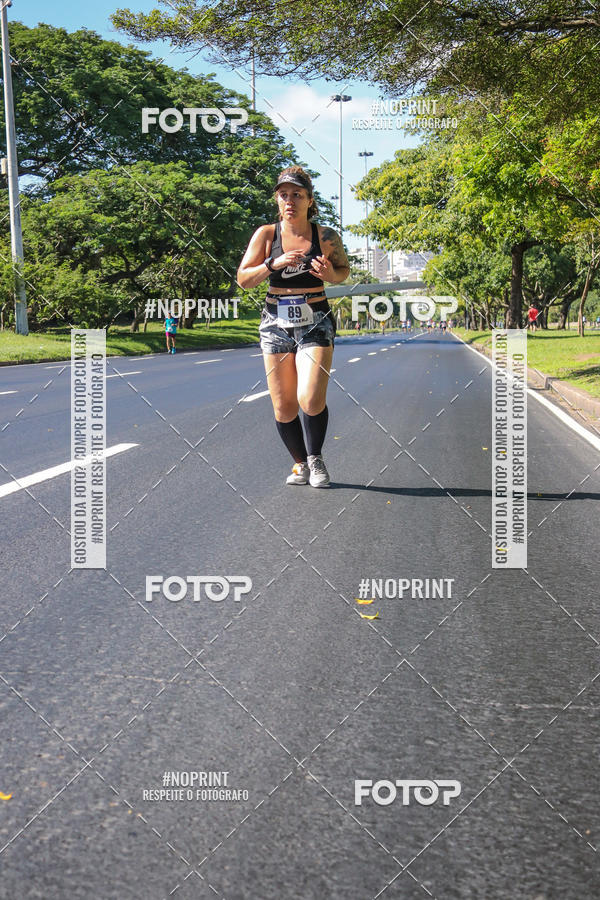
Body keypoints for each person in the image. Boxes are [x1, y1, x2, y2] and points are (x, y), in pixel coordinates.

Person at [237, 166, 350, 488]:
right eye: (284, 195)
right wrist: (273, 263)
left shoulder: (325, 236)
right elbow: (244, 279)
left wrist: (329, 274)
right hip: (275, 322)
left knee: (310, 398)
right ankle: (300, 464)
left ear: (309, 200)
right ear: (277, 199)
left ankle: (315, 459)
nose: (290, 201)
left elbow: (343, 271)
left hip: (316, 319)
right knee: (284, 406)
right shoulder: (266, 235)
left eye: (297, 195)